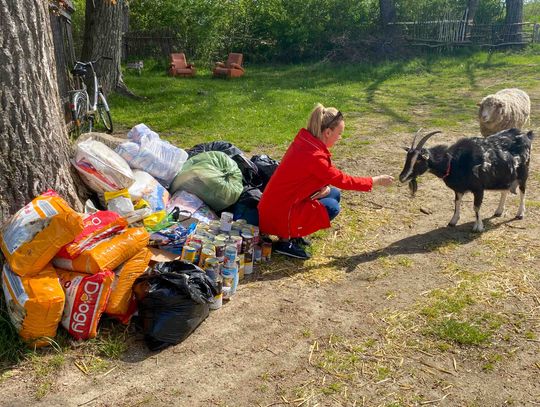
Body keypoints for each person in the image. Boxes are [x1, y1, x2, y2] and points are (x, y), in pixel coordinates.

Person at [258, 103, 394, 259]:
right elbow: (344, 181)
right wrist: (376, 180)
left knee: (333, 193)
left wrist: (323, 187)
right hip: (278, 215)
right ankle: (285, 241)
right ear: (328, 132)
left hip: (275, 207)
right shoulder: (315, 156)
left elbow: (305, 178)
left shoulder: (305, 142)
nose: (340, 137)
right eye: (339, 133)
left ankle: (292, 234)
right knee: (332, 207)